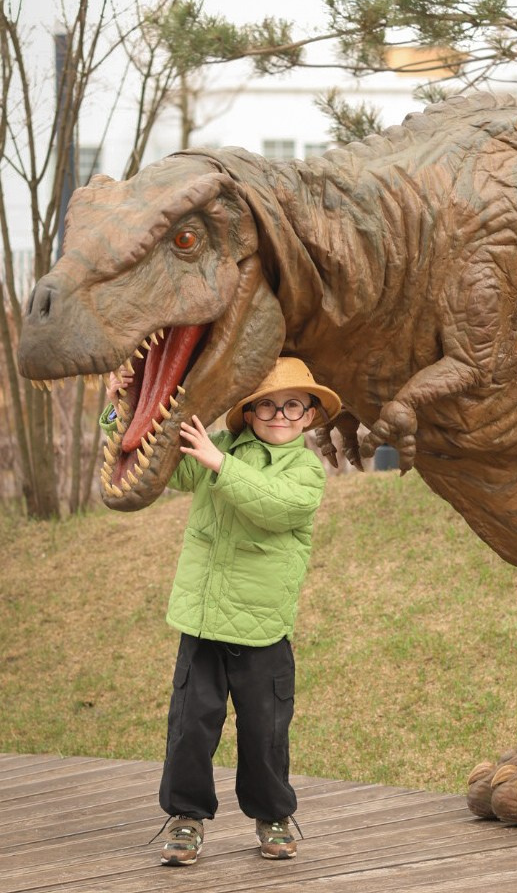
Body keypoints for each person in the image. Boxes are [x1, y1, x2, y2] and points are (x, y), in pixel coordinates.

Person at [101, 357, 341, 867]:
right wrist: (123, 407)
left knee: (264, 733)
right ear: (249, 412)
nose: (279, 415)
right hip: (203, 621)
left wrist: (220, 464)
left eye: (292, 406)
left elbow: (278, 506)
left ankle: (273, 816)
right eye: (267, 405)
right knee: (190, 728)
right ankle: (185, 818)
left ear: (309, 416)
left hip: (262, 628)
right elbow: (162, 460)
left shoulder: (304, 471)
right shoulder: (220, 448)